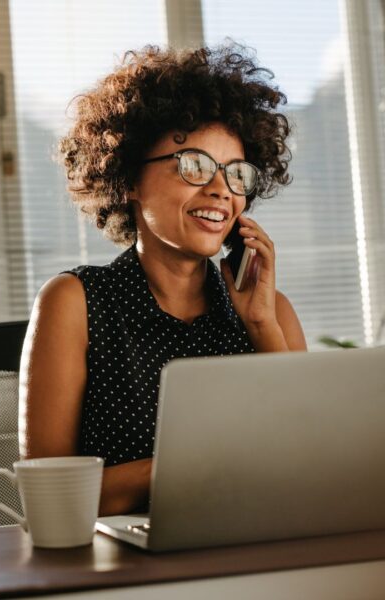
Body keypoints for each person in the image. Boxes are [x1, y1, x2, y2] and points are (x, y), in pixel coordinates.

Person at [19, 43, 307, 517]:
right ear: (129, 179)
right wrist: (193, 464)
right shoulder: (75, 302)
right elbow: (48, 497)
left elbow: (313, 466)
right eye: (193, 165)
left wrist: (262, 327)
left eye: (237, 174)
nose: (220, 189)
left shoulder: (270, 312)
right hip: (123, 568)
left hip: (252, 547)